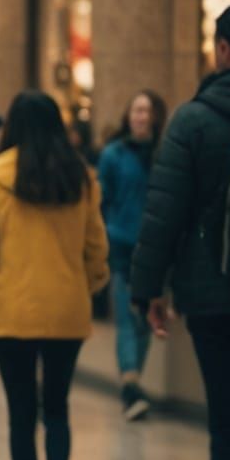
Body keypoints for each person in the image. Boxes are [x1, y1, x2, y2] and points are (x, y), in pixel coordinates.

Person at [132, 3, 230, 460]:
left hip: (216, 295)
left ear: (223, 48)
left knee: (229, 428)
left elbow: (164, 214)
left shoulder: (195, 120)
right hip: (219, 294)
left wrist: (148, 290)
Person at [0, 91, 109, 460]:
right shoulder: (80, 176)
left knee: (20, 413)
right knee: (57, 406)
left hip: (11, 309)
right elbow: (96, 247)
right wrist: (87, 283)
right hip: (67, 308)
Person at [98, 89, 166, 421]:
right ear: (128, 115)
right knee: (127, 315)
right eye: (136, 110)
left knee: (146, 318)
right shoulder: (113, 154)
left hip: (153, 248)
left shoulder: (163, 154)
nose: (141, 116)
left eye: (147, 111)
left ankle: (132, 383)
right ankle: (130, 382)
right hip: (122, 244)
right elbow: (103, 198)